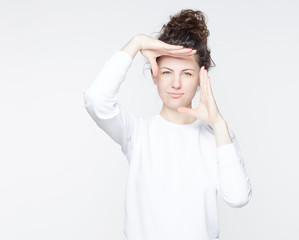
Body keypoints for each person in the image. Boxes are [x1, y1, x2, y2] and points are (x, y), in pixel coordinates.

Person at [83, 9, 252, 240]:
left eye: (187, 74)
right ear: (154, 74)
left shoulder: (218, 136)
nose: (175, 83)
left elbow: (238, 197)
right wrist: (137, 43)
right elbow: (96, 100)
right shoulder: (138, 133)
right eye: (167, 72)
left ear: (202, 79)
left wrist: (218, 122)